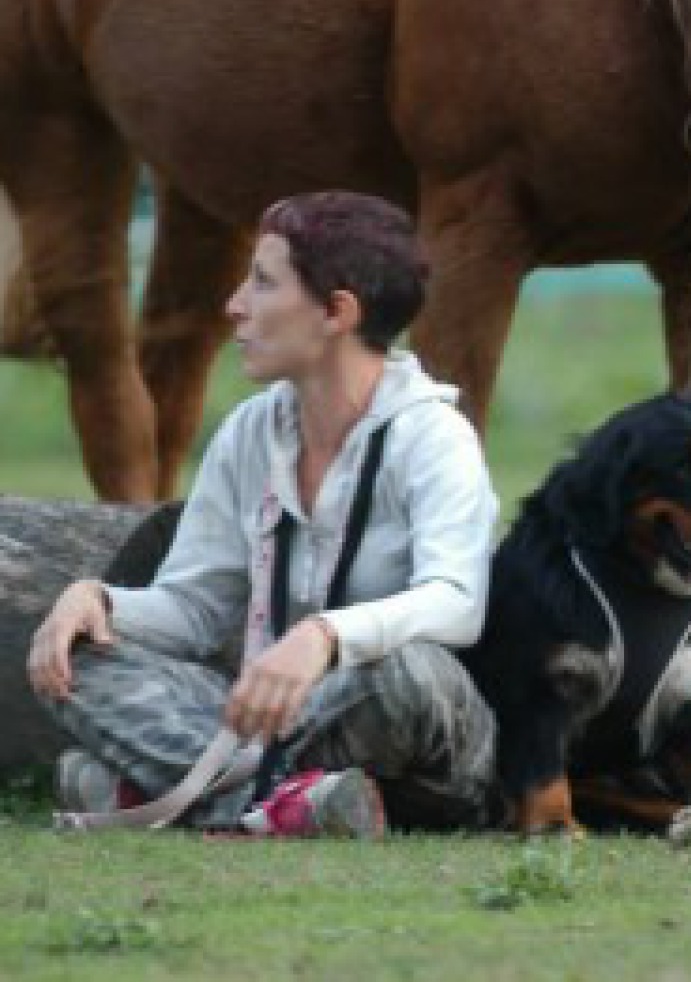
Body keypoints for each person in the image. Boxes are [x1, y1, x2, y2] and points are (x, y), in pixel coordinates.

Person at [26, 191, 498, 834]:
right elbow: (195, 609)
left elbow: (457, 602)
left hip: (400, 734)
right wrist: (103, 603)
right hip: (261, 721)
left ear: (337, 312)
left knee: (411, 672)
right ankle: (297, 806)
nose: (235, 306)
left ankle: (168, 791)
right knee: (77, 656)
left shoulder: (434, 435)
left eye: (263, 283)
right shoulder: (251, 431)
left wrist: (326, 637)